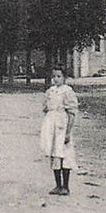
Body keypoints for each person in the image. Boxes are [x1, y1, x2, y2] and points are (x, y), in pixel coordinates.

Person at [39, 67, 78, 195]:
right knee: (54, 153)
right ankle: (58, 185)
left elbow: (72, 113)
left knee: (64, 154)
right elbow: (46, 108)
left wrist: (68, 132)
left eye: (59, 76)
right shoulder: (50, 91)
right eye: (54, 76)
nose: (55, 79)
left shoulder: (67, 91)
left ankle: (66, 186)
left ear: (64, 78)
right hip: (51, 126)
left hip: (62, 125)